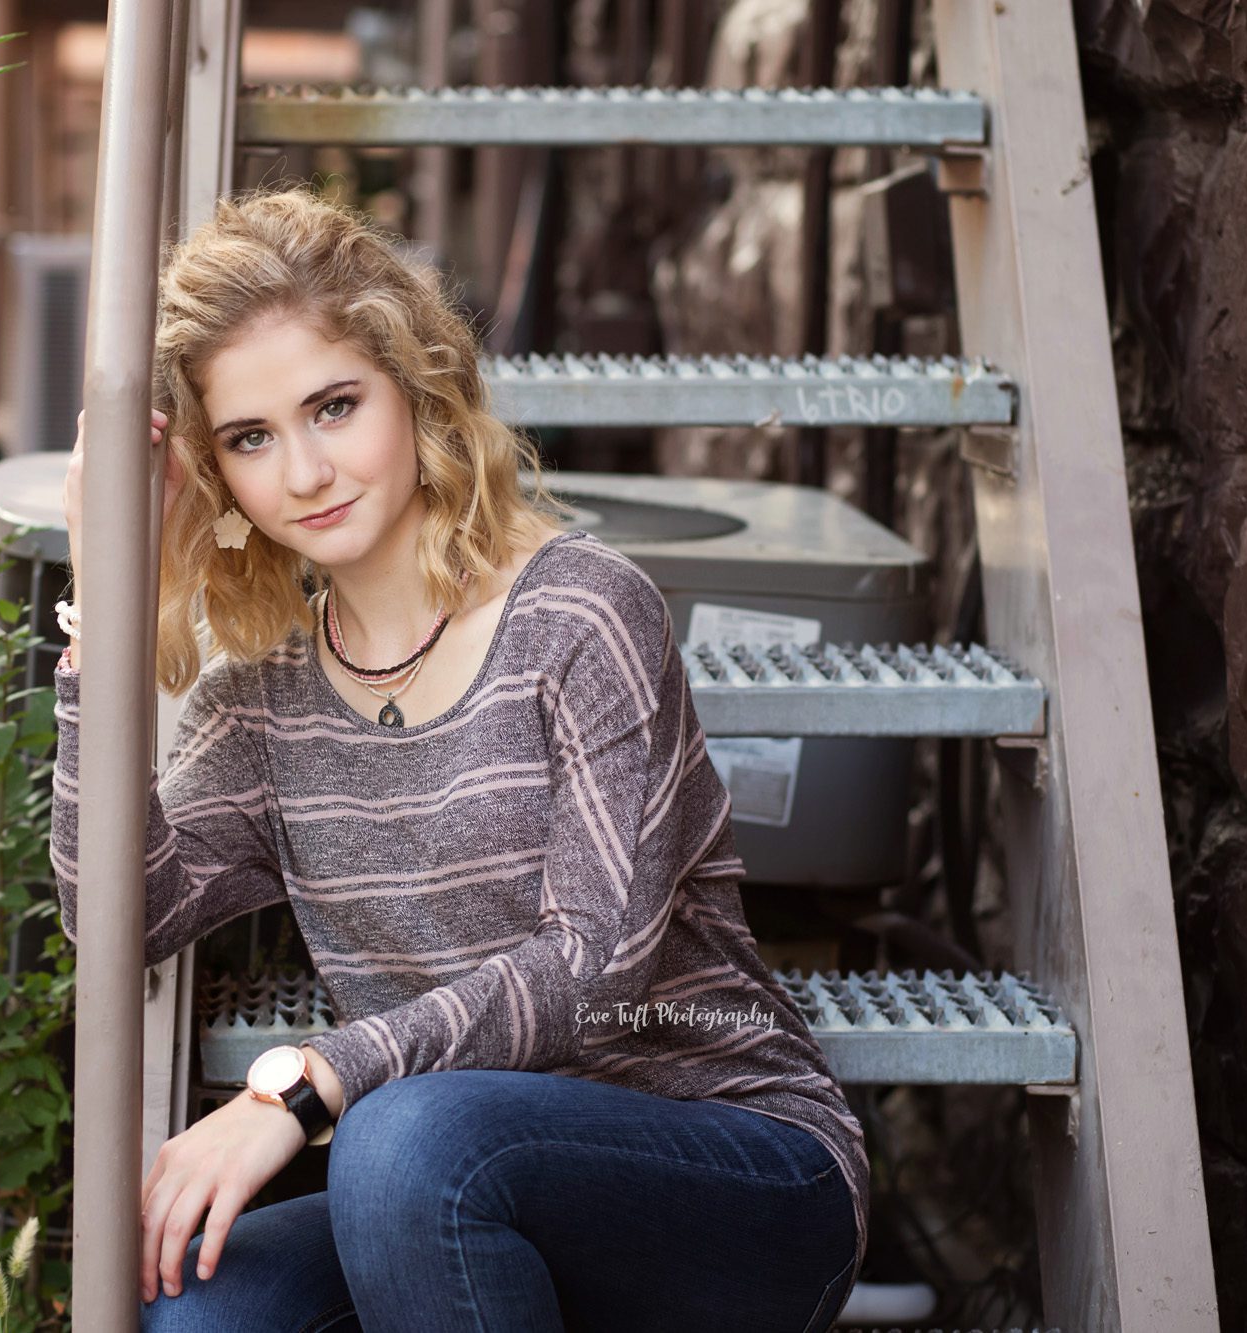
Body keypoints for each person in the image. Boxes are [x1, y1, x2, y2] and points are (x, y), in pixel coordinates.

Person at [49, 186, 867, 1333]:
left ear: (416, 386)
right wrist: (101, 593)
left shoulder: (579, 616)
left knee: (398, 1136)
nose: (302, 472)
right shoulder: (268, 697)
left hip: (732, 1169)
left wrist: (312, 1081)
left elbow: (592, 971)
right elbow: (116, 916)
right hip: (443, 1193)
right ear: (214, 471)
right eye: (249, 437)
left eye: (333, 406)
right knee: (202, 1306)